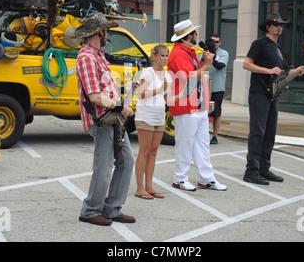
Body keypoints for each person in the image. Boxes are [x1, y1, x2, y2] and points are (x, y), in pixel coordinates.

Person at [76, 12, 135, 226]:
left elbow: (103, 90)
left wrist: (120, 99)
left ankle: (111, 208)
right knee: (103, 167)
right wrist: (121, 106)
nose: (108, 33)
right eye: (106, 30)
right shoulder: (86, 57)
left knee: (126, 161)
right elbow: (94, 96)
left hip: (112, 118)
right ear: (99, 32)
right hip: (102, 119)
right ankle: (91, 210)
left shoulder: (98, 55)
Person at [242, 13, 304, 185]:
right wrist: (268, 70)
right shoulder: (259, 44)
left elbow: (283, 72)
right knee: (258, 132)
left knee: (269, 133)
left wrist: (298, 70)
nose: (279, 27)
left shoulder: (278, 48)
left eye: (281, 24)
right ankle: (251, 171)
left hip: (272, 95)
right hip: (259, 93)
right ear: (268, 27)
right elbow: (246, 64)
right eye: (276, 24)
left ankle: (264, 169)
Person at [167, 19, 227, 191]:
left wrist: (203, 61)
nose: (196, 36)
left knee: (202, 143)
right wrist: (207, 64)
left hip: (198, 102)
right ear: (188, 36)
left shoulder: (189, 51)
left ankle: (206, 178)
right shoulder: (178, 53)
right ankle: (180, 177)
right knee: (185, 143)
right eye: (194, 33)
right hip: (185, 103)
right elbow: (190, 77)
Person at [134, 44, 183, 200]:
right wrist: (159, 89)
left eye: (166, 55)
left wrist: (183, 95)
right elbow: (140, 94)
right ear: (153, 57)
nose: (165, 58)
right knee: (144, 151)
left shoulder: (168, 76)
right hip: (145, 116)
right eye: (162, 55)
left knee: (153, 152)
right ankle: (140, 188)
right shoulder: (147, 73)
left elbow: (167, 99)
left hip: (159, 117)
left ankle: (149, 186)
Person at [208, 34, 229, 144]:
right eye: (212, 41)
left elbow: (220, 66)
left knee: (216, 112)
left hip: (217, 87)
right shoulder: (204, 52)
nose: (214, 44)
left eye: (216, 42)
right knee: (203, 111)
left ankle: (215, 136)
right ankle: (203, 133)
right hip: (205, 85)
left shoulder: (224, 53)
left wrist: (212, 57)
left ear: (219, 43)